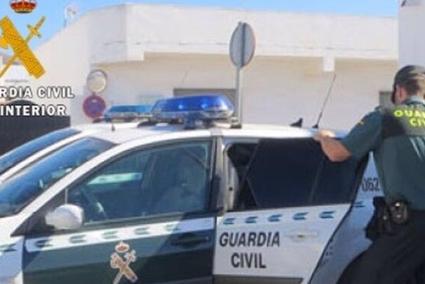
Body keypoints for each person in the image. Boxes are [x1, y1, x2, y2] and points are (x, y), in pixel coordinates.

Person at [314, 65, 425, 284]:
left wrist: (324, 137)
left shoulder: (385, 118)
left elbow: (337, 154)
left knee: (368, 277)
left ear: (399, 91)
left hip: (410, 227)